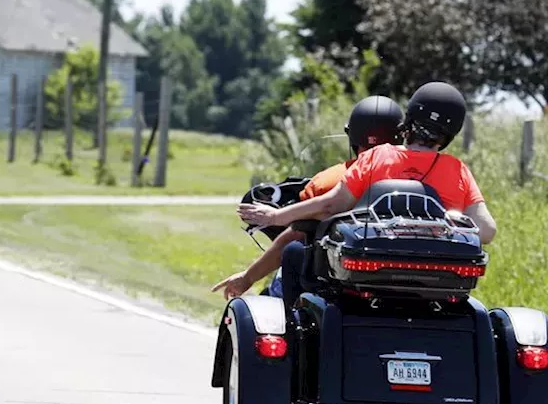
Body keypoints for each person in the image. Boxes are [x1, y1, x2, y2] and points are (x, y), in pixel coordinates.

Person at [238, 81, 496, 313]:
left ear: (409, 118)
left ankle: (295, 344)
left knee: (294, 253)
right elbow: (486, 231)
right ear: (450, 134)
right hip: (435, 284)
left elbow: (330, 205)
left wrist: (277, 215)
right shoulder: (457, 170)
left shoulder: (377, 156)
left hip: (366, 279)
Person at [212, 95, 404, 301]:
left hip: (335, 286)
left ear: (353, 137)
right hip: (402, 282)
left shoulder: (328, 182)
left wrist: (247, 278)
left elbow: (295, 236)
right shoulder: (420, 181)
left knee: (294, 252)